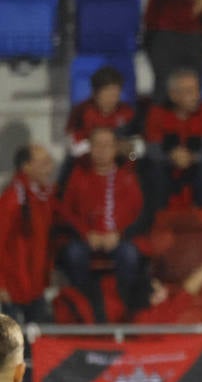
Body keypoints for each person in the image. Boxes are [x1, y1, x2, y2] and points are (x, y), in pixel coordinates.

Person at [58, 127, 145, 323]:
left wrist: (119, 234)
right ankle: (85, 305)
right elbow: (66, 212)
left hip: (118, 238)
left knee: (130, 255)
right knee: (74, 254)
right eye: (98, 145)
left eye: (107, 145)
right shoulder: (78, 176)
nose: (102, 150)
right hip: (87, 239)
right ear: (90, 148)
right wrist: (87, 234)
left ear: (115, 148)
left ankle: (124, 308)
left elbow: (138, 213)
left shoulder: (127, 177)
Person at [143, 66, 202, 210]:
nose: (195, 96)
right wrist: (172, 157)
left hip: (197, 164)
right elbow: (153, 150)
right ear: (173, 95)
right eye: (189, 92)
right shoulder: (157, 113)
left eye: (197, 90)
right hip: (166, 164)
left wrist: (191, 158)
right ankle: (156, 220)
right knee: (151, 168)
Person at [0, 145, 61, 326]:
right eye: (43, 163)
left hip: (35, 286)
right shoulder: (13, 198)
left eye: (49, 162)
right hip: (14, 287)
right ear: (26, 167)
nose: (49, 168)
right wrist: (1, 284)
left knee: (37, 343)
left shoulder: (44, 196)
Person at [63, 65, 136, 168]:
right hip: (87, 164)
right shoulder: (82, 111)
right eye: (107, 94)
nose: (111, 99)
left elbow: (134, 147)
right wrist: (106, 148)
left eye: (115, 95)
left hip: (120, 164)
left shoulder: (126, 112)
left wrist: (130, 152)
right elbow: (73, 146)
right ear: (94, 93)